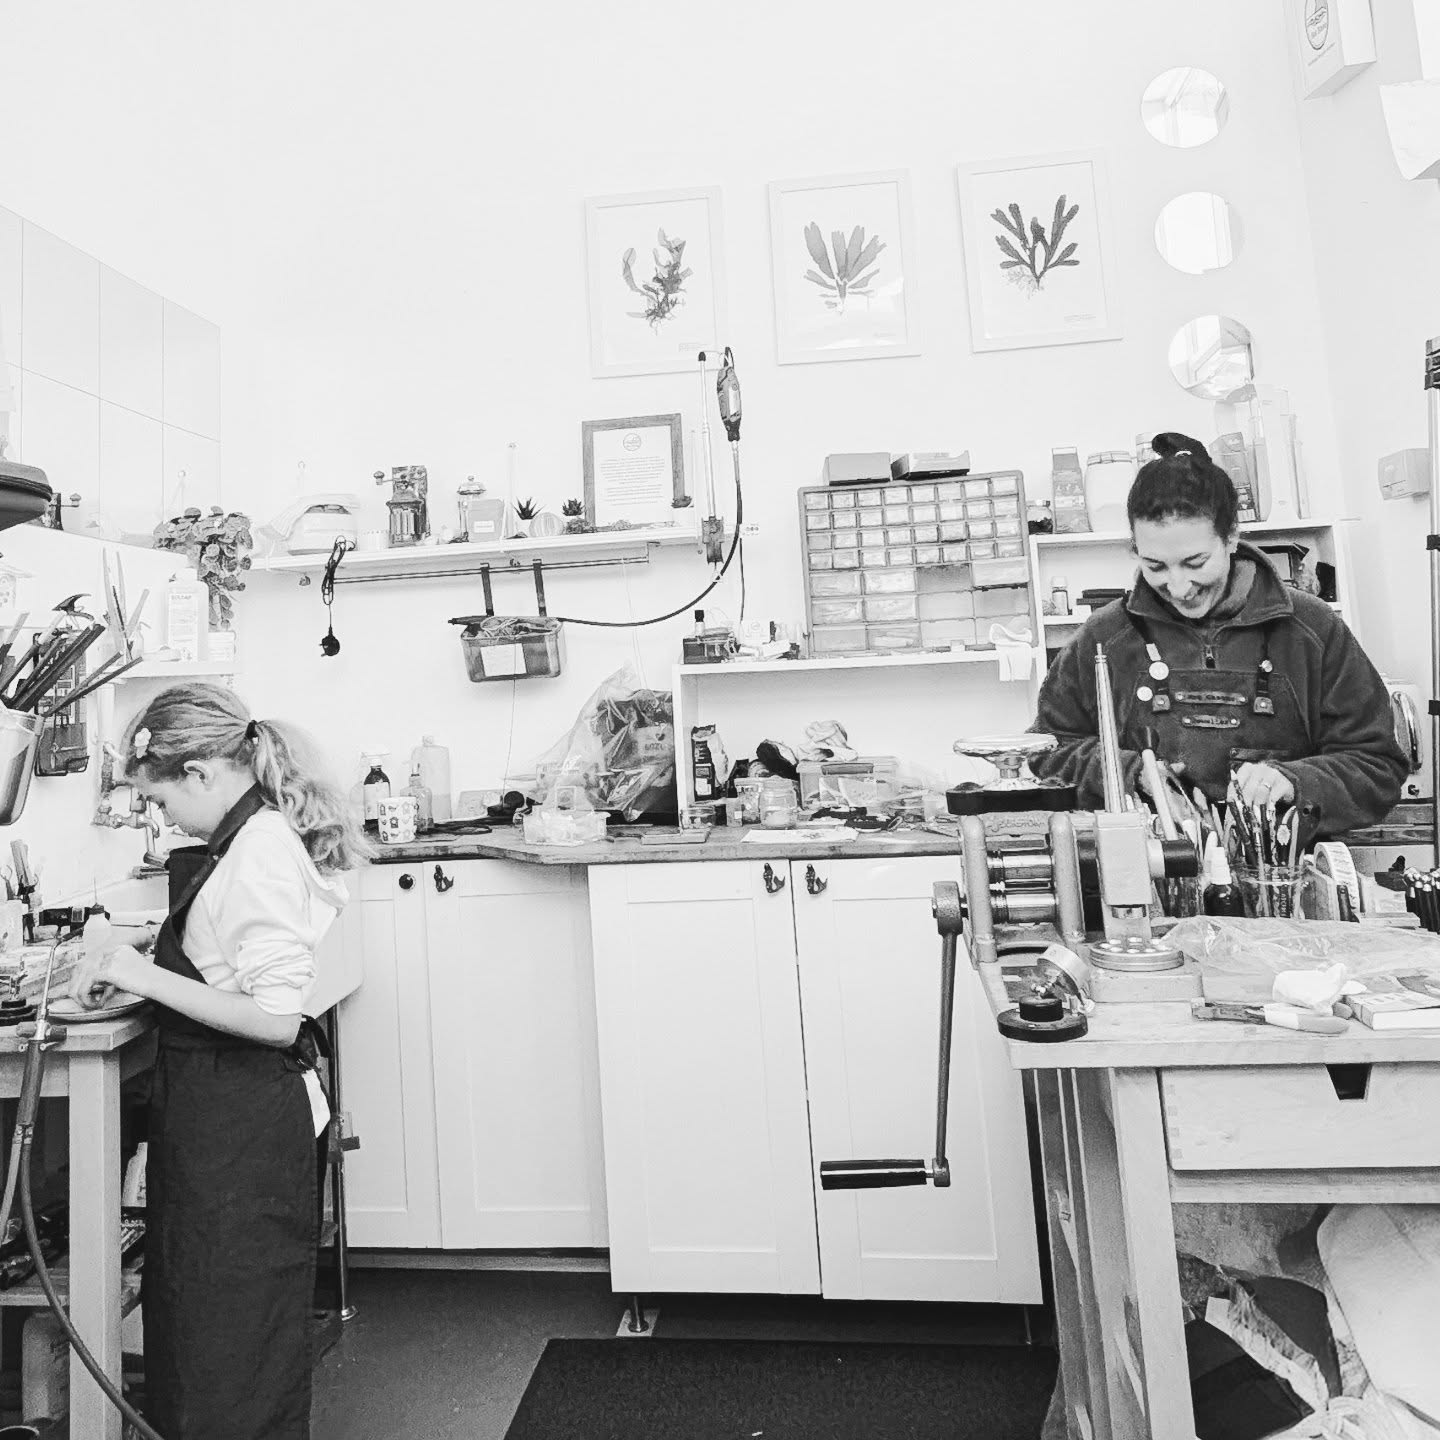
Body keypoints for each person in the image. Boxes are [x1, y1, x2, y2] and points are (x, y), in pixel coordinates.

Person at [69, 683, 368, 1440]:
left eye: (162, 801)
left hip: (244, 1120)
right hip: (220, 1114)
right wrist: (142, 946)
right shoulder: (245, 839)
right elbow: (225, 948)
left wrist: (140, 976)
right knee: (203, 1320)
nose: (166, 819)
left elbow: (274, 1017)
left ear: (201, 773)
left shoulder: (260, 850)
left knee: (231, 1334)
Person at [1030, 432, 1406, 842]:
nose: (1178, 587)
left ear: (1231, 537)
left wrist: (1294, 782)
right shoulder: (1104, 637)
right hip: (1142, 868)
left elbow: (1377, 766)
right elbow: (1048, 751)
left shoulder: (1311, 629)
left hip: (1287, 870)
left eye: (1195, 563)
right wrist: (1130, 772)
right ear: (1134, 549)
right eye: (1155, 566)